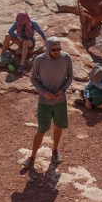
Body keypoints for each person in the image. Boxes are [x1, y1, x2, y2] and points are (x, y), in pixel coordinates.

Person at [23, 37, 73, 168]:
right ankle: (32, 156)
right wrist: (43, 92)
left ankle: (55, 151)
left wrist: (63, 90)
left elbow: (70, 77)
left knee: (58, 126)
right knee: (42, 129)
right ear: (48, 49)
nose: (57, 52)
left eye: (59, 49)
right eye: (54, 49)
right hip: (44, 101)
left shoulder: (66, 58)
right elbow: (33, 78)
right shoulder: (39, 60)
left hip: (60, 100)